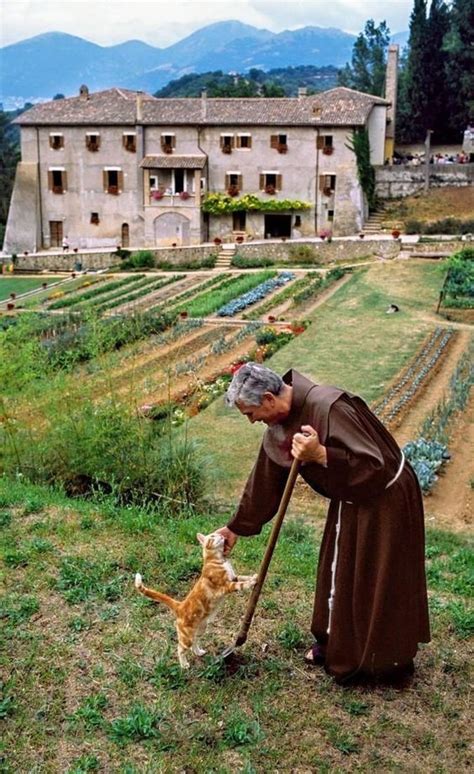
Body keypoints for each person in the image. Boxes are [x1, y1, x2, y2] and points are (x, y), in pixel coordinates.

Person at [216, 363, 430, 684]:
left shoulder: (330, 407)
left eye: (250, 413)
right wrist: (234, 528)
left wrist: (322, 455)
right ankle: (336, 641)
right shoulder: (280, 423)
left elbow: (376, 466)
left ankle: (384, 661)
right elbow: (264, 482)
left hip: (385, 500)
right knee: (340, 568)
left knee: (377, 578)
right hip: (351, 496)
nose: (252, 421)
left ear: (270, 398)